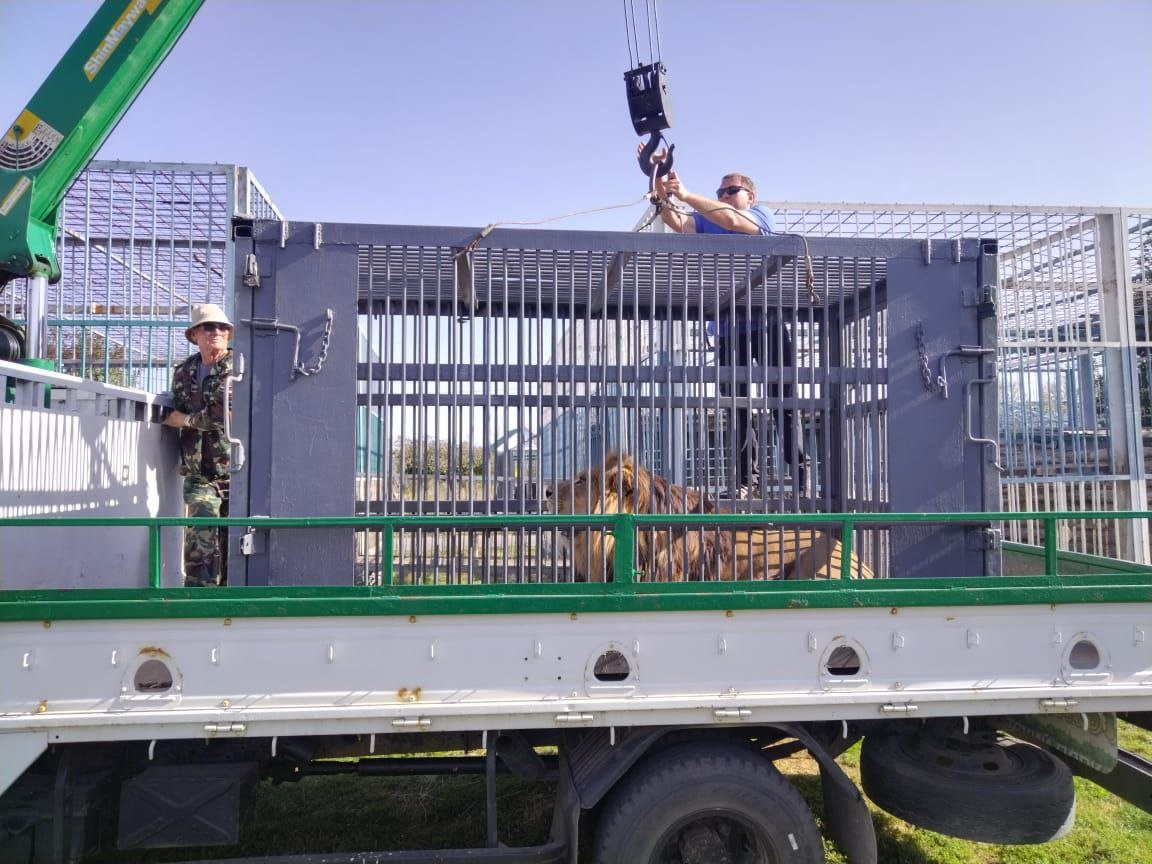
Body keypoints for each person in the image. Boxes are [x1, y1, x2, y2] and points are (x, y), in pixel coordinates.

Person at [649, 158, 803, 497]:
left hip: (768, 323)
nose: (724, 195)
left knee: (784, 402)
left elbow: (734, 220)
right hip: (728, 330)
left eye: (731, 190)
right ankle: (748, 482)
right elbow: (676, 221)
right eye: (720, 191)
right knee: (737, 408)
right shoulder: (707, 220)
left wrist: (687, 194)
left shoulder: (760, 215)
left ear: (751, 194)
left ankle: (801, 481)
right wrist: (658, 184)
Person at [163, 303, 233, 586]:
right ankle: (199, 601)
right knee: (200, 538)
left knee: (236, 540)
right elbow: (173, 411)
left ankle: (233, 598)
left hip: (236, 470)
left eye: (221, 327)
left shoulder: (237, 368)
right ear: (195, 334)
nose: (215, 332)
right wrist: (181, 419)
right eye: (208, 327)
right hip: (199, 472)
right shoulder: (184, 371)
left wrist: (187, 421)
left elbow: (226, 414)